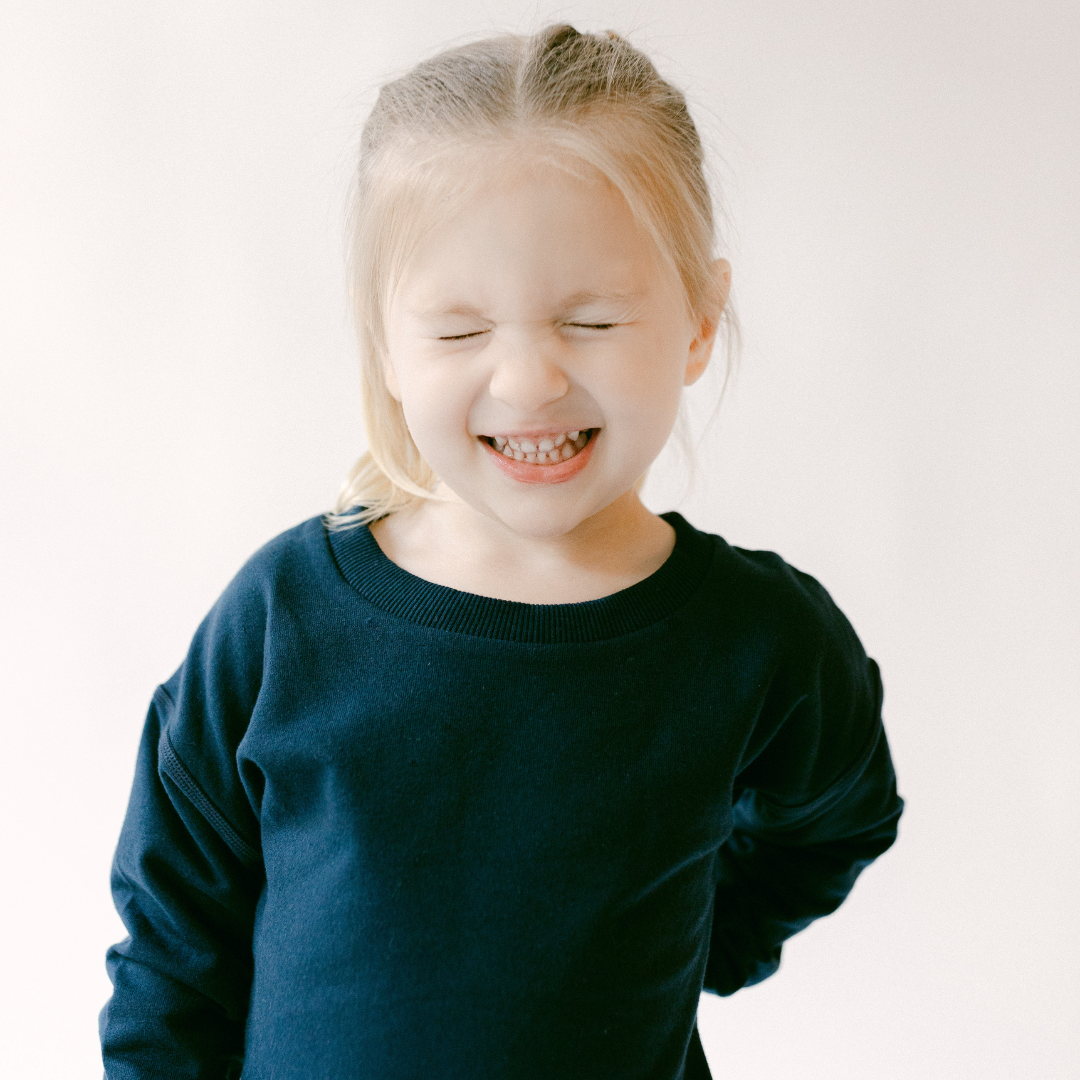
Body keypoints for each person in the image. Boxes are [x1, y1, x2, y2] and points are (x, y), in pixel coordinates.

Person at [99, 24, 903, 1080]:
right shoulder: (283, 619)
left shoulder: (760, 641)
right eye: (460, 331)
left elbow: (839, 816)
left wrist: (695, 946)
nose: (527, 381)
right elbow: (173, 951)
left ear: (701, 320)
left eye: (592, 320)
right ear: (386, 345)